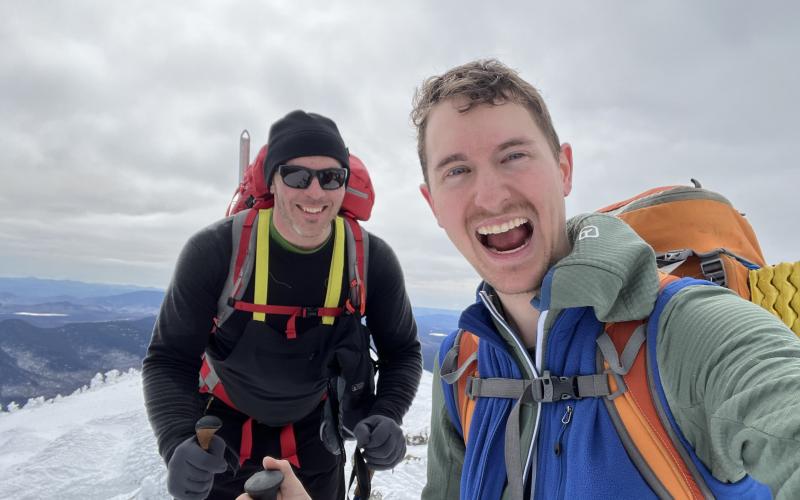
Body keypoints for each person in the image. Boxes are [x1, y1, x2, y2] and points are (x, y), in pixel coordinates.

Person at [412, 60, 800, 499]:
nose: (491, 195)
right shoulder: (462, 364)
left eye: (514, 156)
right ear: (433, 204)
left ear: (564, 170)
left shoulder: (688, 329)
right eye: (457, 171)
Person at [143, 110, 422, 500]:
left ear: (344, 184)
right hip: (222, 437)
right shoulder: (216, 251)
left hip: (314, 435)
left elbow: (403, 352)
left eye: (331, 177)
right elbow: (169, 358)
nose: (315, 192)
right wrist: (176, 441)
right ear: (273, 180)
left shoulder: (370, 260)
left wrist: (387, 413)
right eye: (296, 175)